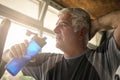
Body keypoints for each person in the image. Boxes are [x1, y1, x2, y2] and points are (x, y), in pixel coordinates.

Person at [2, 8, 120, 80]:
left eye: (63, 25)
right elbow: (5, 57)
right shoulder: (47, 61)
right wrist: (12, 52)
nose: (55, 30)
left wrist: (96, 25)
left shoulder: (103, 58)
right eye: (56, 25)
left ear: (82, 33)